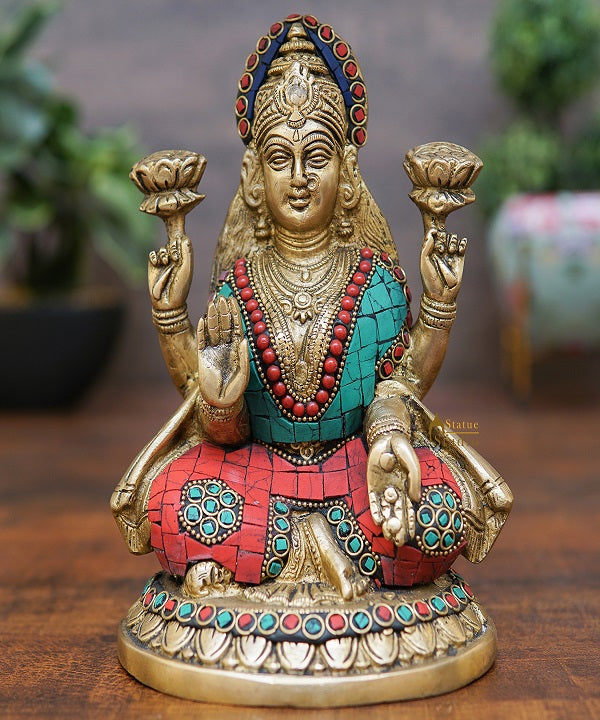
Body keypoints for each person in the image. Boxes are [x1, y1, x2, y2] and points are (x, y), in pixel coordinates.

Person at [111, 19, 512, 603]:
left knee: (438, 508)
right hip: (257, 472)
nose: (298, 179)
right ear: (254, 176)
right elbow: (223, 430)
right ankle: (320, 547)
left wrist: (392, 435)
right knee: (170, 497)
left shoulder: (375, 283)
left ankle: (267, 559)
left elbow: (397, 388)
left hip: (354, 469)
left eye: (316, 157)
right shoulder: (236, 288)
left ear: (346, 171)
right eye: (280, 159)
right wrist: (192, 352)